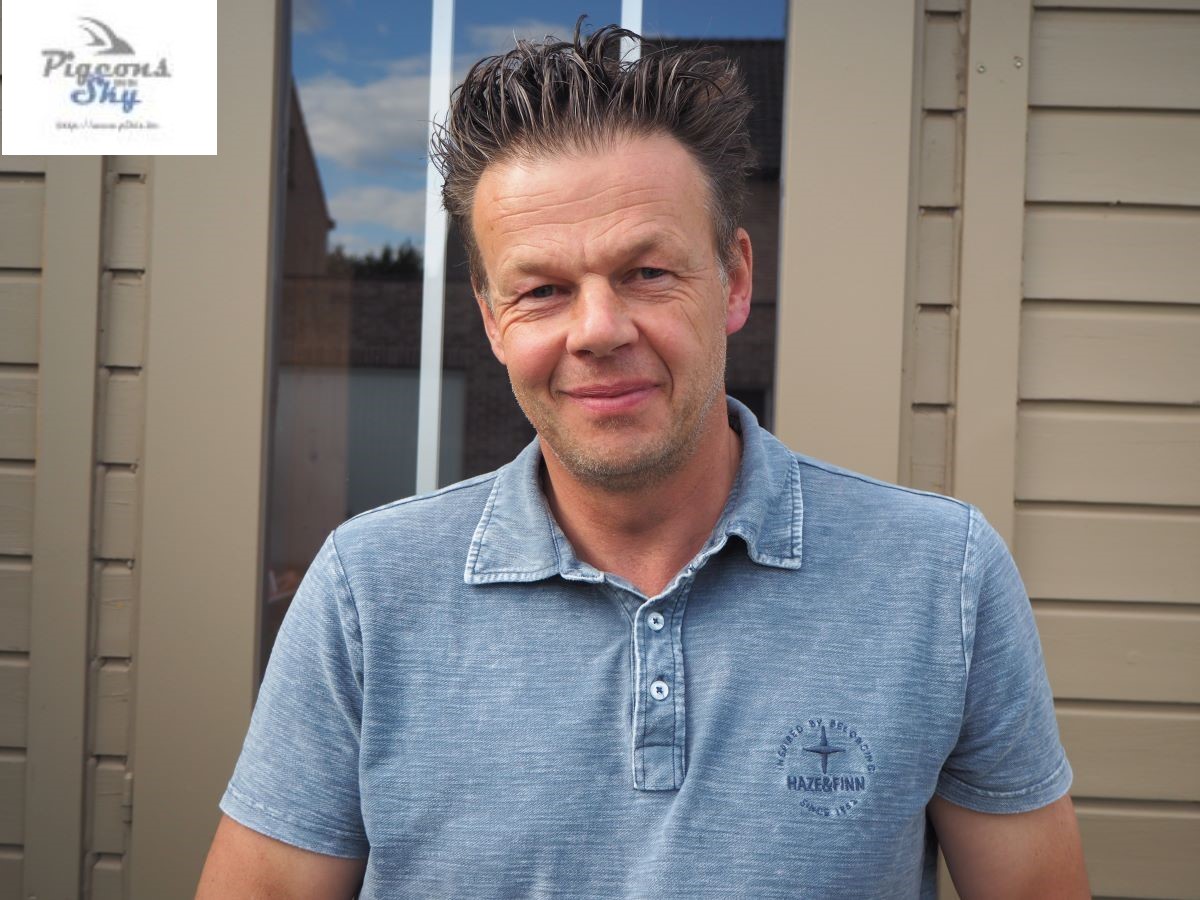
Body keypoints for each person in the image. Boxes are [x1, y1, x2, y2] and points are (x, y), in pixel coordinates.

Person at [197, 23, 1089, 899]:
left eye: (648, 273)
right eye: (542, 289)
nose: (598, 331)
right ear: (493, 319)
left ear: (735, 279)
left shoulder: (940, 577)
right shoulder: (367, 593)